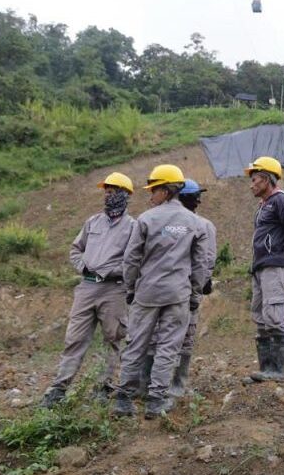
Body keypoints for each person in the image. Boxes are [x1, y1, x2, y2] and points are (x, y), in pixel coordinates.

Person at [111, 164, 208, 419]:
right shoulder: (194, 223)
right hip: (178, 295)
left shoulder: (146, 219)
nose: (150, 195)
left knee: (136, 344)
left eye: (154, 190)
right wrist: (195, 292)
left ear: (166, 190)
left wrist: (130, 287)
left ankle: (124, 399)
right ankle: (156, 400)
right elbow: (201, 263)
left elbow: (131, 259)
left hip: (147, 293)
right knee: (168, 347)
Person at [40, 172, 136, 408]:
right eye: (106, 190)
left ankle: (103, 387)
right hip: (86, 287)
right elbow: (75, 249)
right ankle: (59, 389)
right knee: (74, 339)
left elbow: (134, 261)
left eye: (112, 191)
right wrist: (84, 267)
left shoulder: (134, 227)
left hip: (114, 290)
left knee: (113, 339)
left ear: (124, 195)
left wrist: (111, 271)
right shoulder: (92, 222)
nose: (107, 194)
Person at [138, 178, 216, 398]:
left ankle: (168, 385)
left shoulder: (201, 225)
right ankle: (159, 386)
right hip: (178, 289)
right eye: (195, 196)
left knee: (175, 338)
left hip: (180, 289)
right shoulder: (192, 223)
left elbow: (206, 262)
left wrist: (196, 289)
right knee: (166, 338)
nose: (198, 200)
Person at [244, 156, 284, 383]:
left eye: (255, 179)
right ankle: (267, 369)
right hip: (260, 268)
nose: (252, 184)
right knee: (261, 315)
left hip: (275, 266)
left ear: (267, 179)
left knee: (275, 315)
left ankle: (278, 371)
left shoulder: (280, 201)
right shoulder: (263, 206)